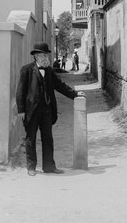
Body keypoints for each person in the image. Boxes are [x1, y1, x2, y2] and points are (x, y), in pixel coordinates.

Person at [16, 42, 79, 176]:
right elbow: (20, 91)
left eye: (46, 55)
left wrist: (75, 95)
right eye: (43, 56)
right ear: (36, 57)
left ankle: (49, 166)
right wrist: (21, 110)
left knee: (48, 138)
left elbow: (60, 86)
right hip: (31, 111)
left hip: (47, 110)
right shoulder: (26, 70)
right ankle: (31, 167)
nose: (46, 58)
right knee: (30, 139)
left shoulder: (49, 71)